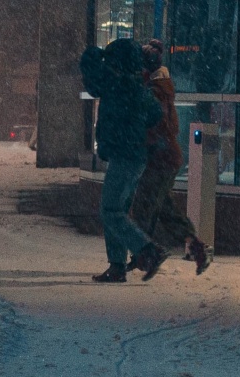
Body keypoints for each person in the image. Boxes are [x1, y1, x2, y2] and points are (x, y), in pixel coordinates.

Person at [128, 40, 211, 275]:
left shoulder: (155, 92)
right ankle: (195, 247)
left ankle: (147, 254)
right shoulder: (159, 87)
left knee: (144, 207)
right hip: (165, 158)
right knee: (164, 209)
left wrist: (144, 140)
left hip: (160, 160)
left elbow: (160, 126)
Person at [78, 38, 154, 282]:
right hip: (134, 155)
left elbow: (93, 81)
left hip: (124, 155)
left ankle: (145, 250)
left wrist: (94, 54)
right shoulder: (135, 84)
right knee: (117, 210)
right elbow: (155, 113)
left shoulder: (117, 83)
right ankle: (117, 266)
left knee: (110, 210)